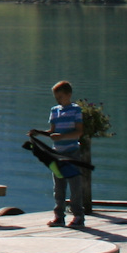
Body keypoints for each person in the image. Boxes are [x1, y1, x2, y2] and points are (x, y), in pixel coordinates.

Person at [30, 81, 85, 228]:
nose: (58, 100)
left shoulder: (75, 110)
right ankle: (59, 216)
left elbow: (79, 132)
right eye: (56, 97)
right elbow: (51, 131)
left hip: (72, 152)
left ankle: (78, 216)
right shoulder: (55, 110)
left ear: (69, 95)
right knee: (58, 187)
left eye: (60, 96)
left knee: (75, 186)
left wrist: (62, 137)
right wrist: (39, 133)